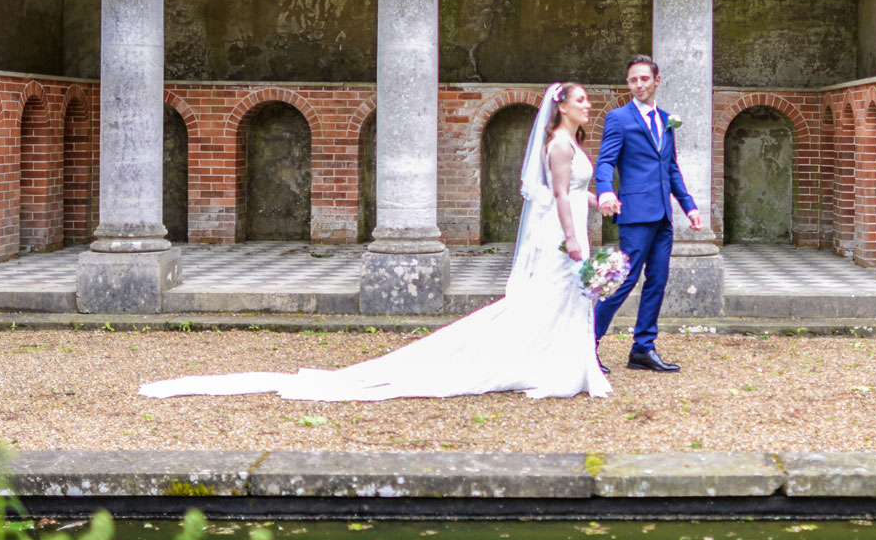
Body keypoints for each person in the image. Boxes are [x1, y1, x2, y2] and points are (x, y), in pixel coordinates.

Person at [138, 82, 610, 400]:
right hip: (561, 234)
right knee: (548, 296)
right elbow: (559, 201)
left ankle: (567, 364)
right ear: (562, 107)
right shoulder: (559, 146)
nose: (587, 105)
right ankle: (549, 366)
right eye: (581, 100)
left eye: (588, 100)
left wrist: (598, 205)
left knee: (564, 297)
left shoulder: (574, 143)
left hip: (568, 229)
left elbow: (568, 194)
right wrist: (572, 238)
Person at [592, 55, 702, 373]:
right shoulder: (619, 118)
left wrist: (689, 206)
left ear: (656, 80)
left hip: (664, 216)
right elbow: (605, 162)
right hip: (636, 214)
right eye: (632, 80)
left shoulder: (667, 119)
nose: (638, 85)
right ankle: (587, 343)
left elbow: (671, 167)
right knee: (623, 280)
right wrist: (606, 191)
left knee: (658, 281)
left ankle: (643, 349)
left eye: (643, 79)